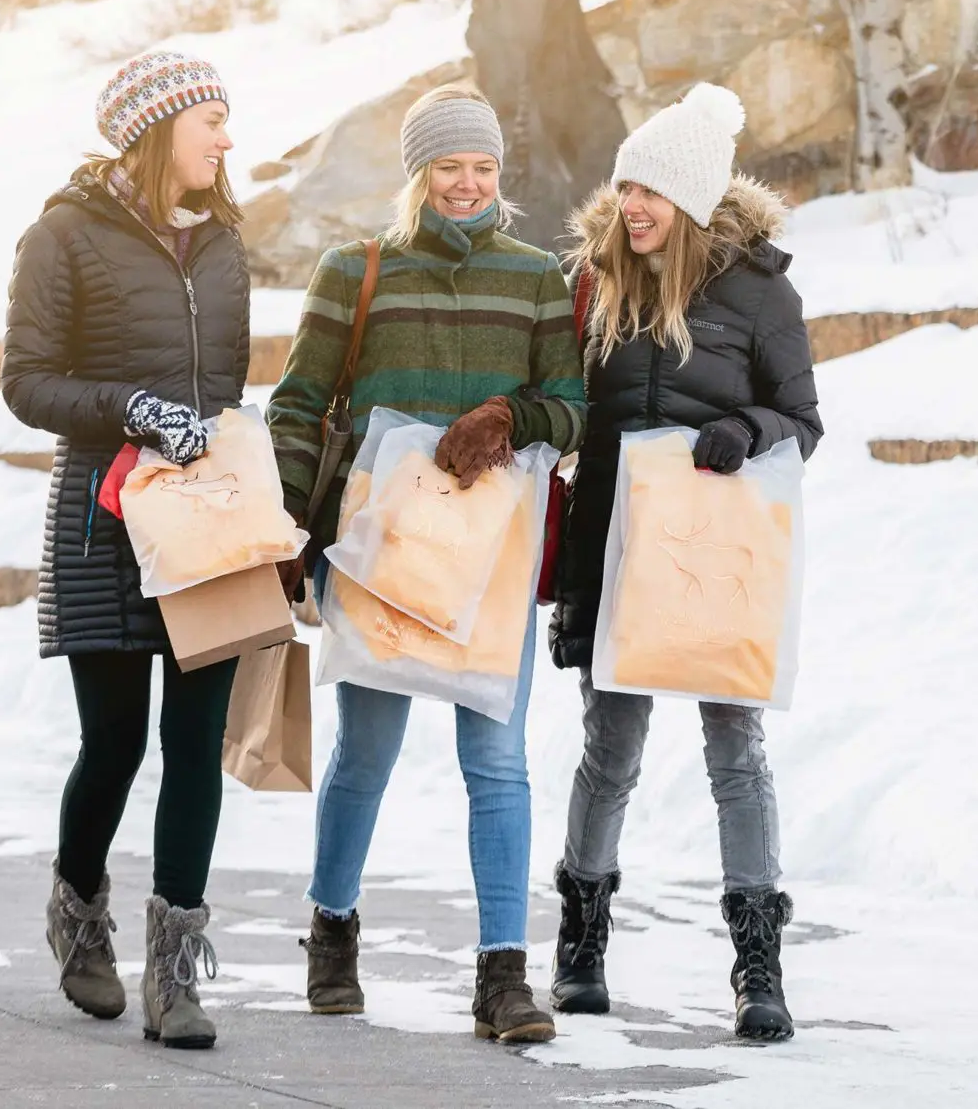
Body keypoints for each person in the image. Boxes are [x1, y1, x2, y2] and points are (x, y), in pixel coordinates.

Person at [265, 84, 586, 1045]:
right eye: (450, 166)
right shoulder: (355, 271)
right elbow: (296, 404)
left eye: (483, 167)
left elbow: (574, 409)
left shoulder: (536, 277)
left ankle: (503, 976)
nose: (468, 184)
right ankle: (331, 933)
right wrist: (287, 524)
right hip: (379, 553)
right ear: (419, 173)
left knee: (497, 761)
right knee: (366, 752)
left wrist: (510, 416)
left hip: (490, 556)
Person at [547, 83, 822, 1043]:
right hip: (616, 551)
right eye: (626, 187)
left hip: (716, 558)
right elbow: (573, 419)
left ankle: (758, 965)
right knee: (610, 752)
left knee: (735, 753)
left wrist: (747, 428)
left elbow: (803, 420)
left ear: (695, 199)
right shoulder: (596, 281)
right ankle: (580, 948)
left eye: (652, 191)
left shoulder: (760, 291)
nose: (632, 206)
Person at [3, 49, 257, 1049]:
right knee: (113, 741)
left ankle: (176, 978)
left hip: (204, 521)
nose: (227, 139)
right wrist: (133, 409)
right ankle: (79, 919)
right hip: (103, 520)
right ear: (159, 130)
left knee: (195, 743)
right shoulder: (62, 235)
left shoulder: (226, 242)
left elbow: (228, 388)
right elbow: (27, 382)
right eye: (211, 122)